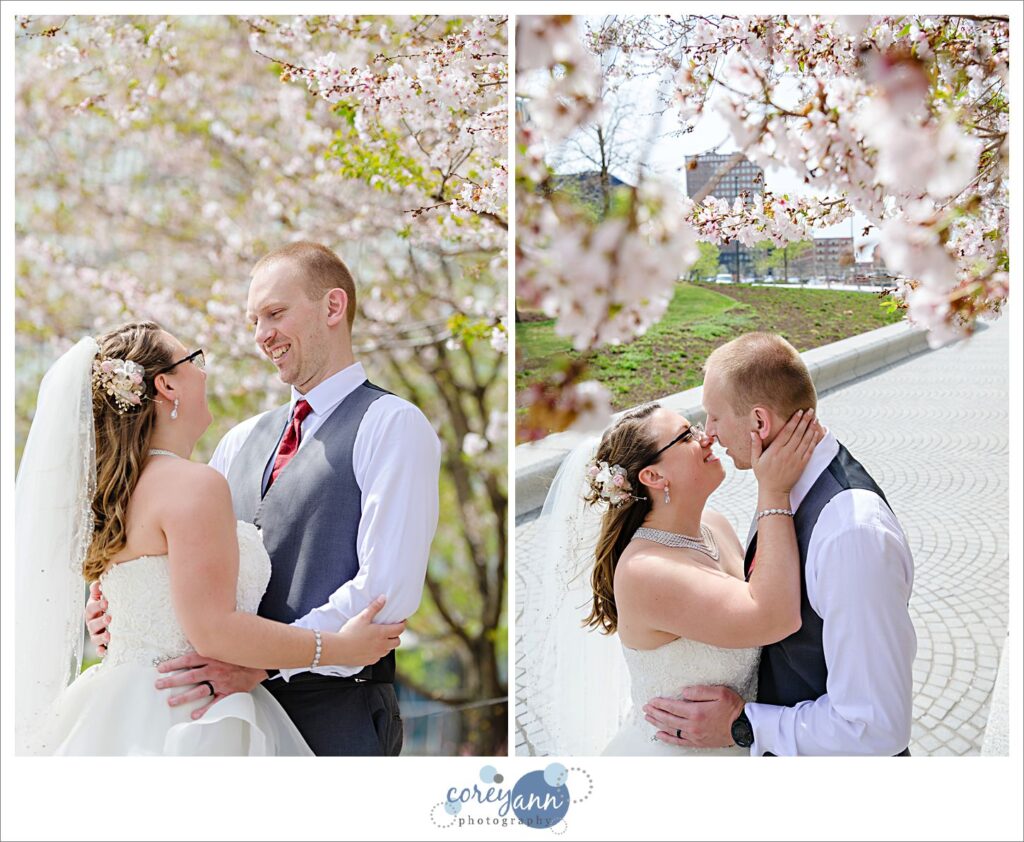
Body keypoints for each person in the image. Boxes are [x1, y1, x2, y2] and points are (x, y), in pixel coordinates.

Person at [87, 242, 442, 755]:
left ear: (333, 307)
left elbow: (385, 593)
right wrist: (109, 611)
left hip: (336, 710)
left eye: (275, 313)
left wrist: (264, 662)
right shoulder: (238, 440)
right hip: (225, 715)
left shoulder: (391, 424)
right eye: (254, 320)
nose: (261, 336)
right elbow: (181, 562)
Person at [15, 322, 404, 755]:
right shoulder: (193, 485)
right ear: (165, 385)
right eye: (193, 360)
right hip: (190, 714)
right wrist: (339, 647)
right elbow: (214, 630)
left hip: (117, 705)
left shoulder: (113, 492)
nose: (204, 372)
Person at [644, 332, 917, 755]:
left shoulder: (852, 535)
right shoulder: (781, 483)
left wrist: (745, 728)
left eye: (714, 417)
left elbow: (876, 727)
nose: (709, 434)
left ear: (759, 423)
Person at [528, 398, 821, 756]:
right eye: (686, 437)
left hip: (746, 742)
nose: (706, 438)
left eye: (696, 428)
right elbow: (776, 617)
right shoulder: (646, 571)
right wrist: (773, 490)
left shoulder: (714, 524)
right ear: (653, 476)